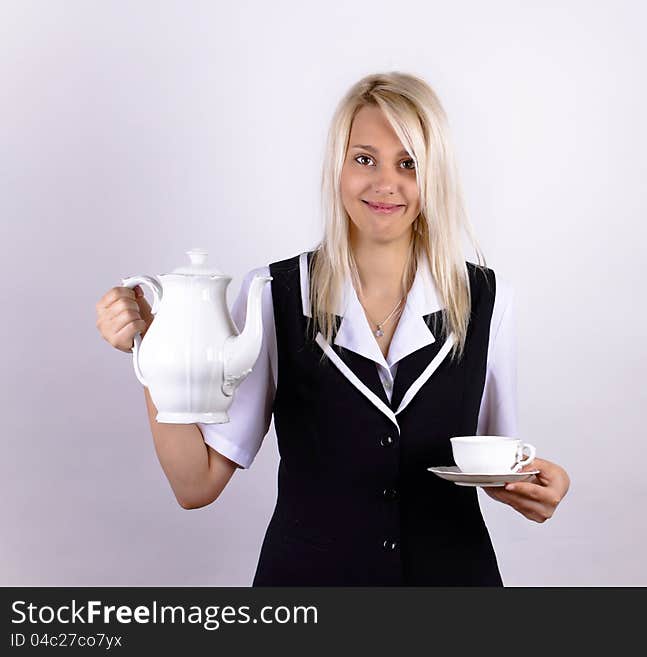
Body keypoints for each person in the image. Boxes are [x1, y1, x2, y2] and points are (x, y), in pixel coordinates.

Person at [95, 72, 570, 586]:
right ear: (337, 168)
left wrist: (546, 485)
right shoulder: (272, 294)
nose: (385, 183)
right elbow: (196, 483)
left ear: (435, 176)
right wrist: (153, 347)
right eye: (364, 158)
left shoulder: (487, 301)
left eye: (408, 163)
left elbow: (501, 466)